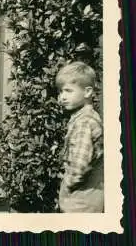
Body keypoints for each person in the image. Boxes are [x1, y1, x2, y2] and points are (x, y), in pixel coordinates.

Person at [55, 61, 104, 213]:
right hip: (88, 196)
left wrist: (67, 184)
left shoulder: (84, 123)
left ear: (88, 92)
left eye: (68, 91)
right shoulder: (87, 116)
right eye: (61, 91)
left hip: (81, 200)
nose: (62, 97)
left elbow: (79, 167)